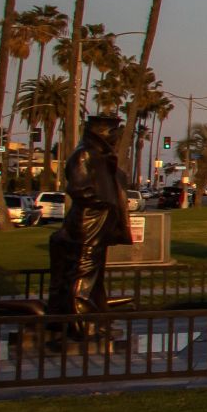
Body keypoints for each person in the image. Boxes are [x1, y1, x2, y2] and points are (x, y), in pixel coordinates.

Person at [46, 113, 132, 320]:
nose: (115, 137)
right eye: (112, 131)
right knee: (84, 267)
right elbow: (79, 188)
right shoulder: (84, 154)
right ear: (99, 132)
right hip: (88, 221)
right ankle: (77, 318)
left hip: (100, 222)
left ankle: (92, 311)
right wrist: (102, 205)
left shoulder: (101, 156)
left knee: (92, 270)